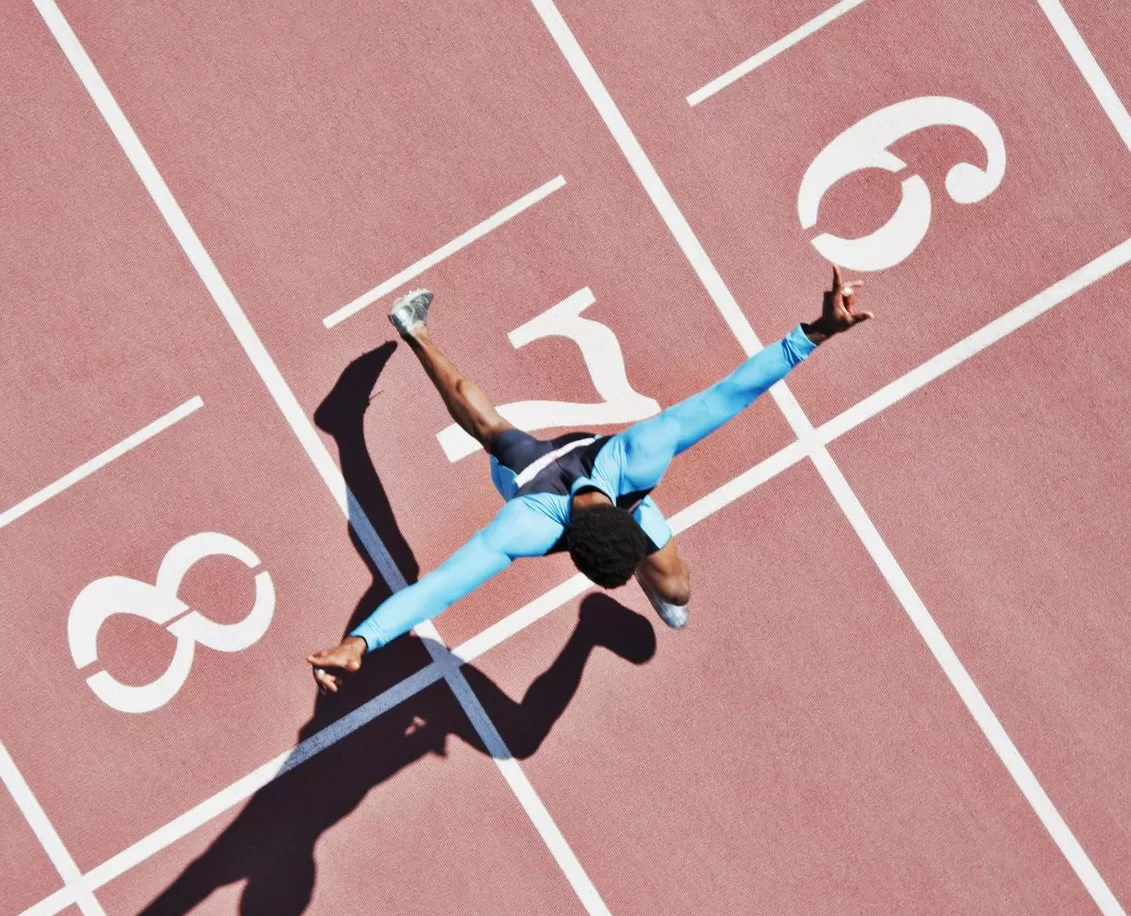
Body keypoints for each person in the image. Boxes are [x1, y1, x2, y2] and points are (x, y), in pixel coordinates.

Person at [309, 267, 871, 692]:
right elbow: (438, 586)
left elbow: (728, 395)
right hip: (527, 480)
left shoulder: (640, 458)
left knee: (673, 594)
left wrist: (817, 332)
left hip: (596, 483)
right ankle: (414, 329)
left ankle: (398, 351)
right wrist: (364, 639)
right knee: (489, 430)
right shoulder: (527, 523)